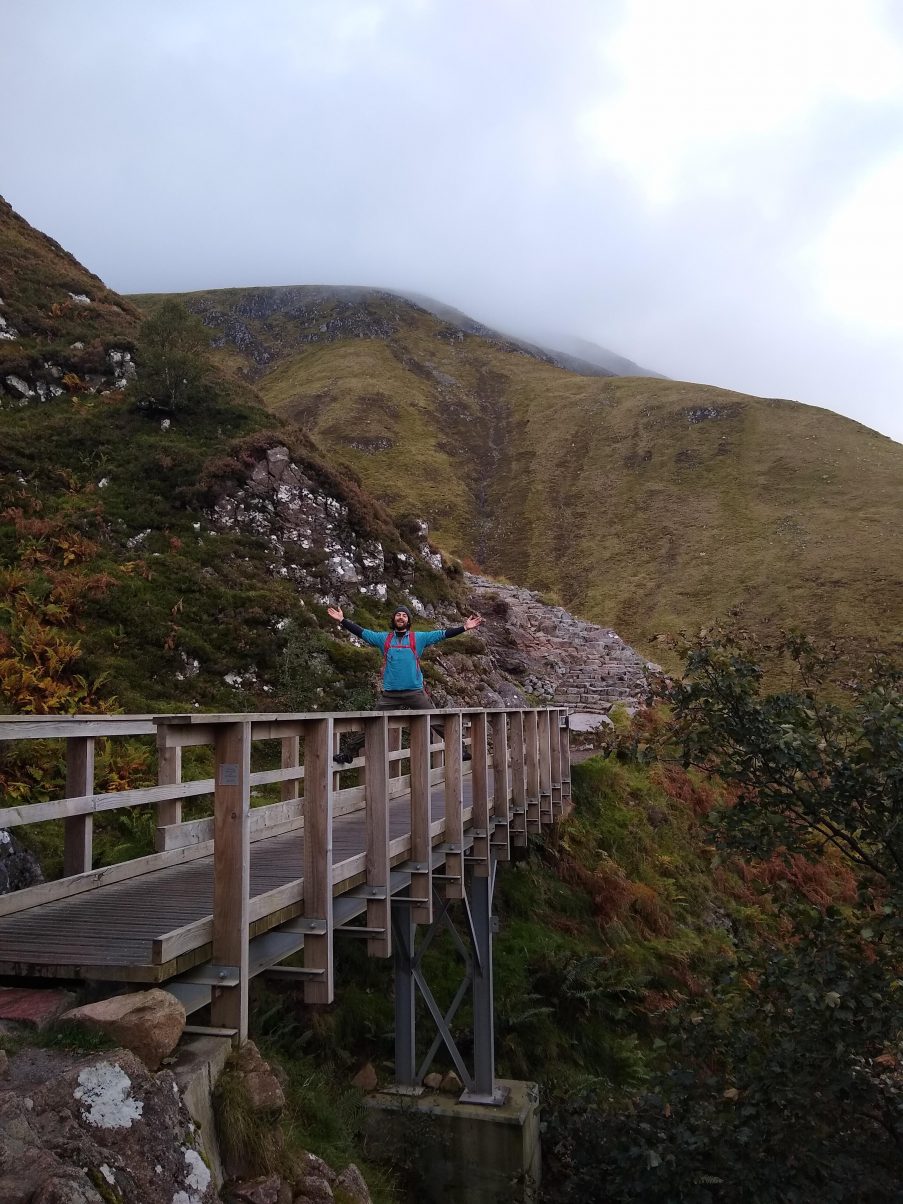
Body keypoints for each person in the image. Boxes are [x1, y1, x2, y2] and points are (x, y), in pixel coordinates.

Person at [326, 604, 483, 763]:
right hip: (390, 695)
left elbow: (442, 634)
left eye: (404, 615)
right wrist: (342, 620)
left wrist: (464, 627)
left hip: (415, 692)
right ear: (393, 619)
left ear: (408, 621)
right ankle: (348, 753)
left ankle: (459, 748)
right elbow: (362, 633)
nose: (401, 617)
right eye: (398, 615)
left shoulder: (419, 638)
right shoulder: (383, 639)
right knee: (373, 722)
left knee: (436, 720)